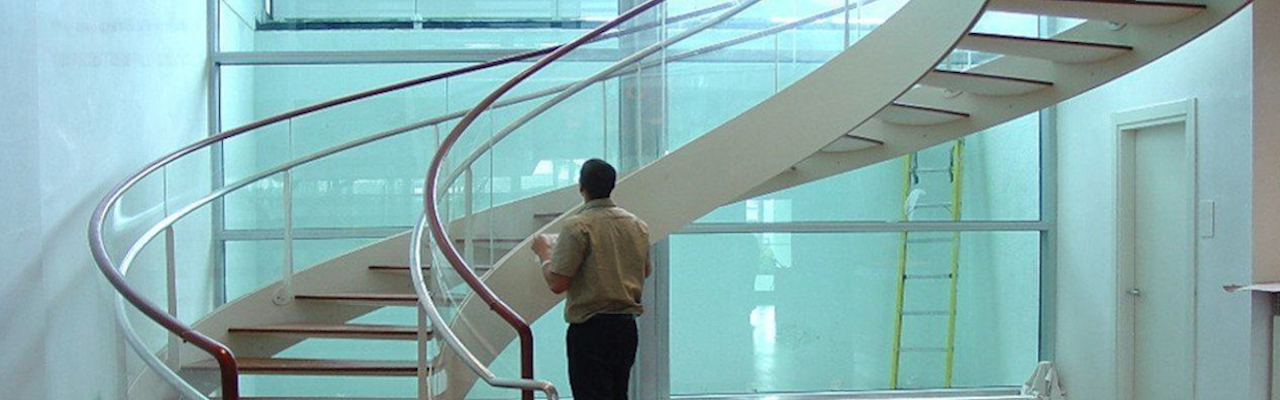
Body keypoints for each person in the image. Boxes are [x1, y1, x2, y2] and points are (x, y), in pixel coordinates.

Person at [532, 158, 651, 400]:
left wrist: (544, 254)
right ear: (613, 186)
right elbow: (645, 271)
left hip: (590, 330)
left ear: (581, 187)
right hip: (625, 328)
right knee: (618, 394)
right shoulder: (636, 224)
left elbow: (557, 283)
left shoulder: (578, 226)